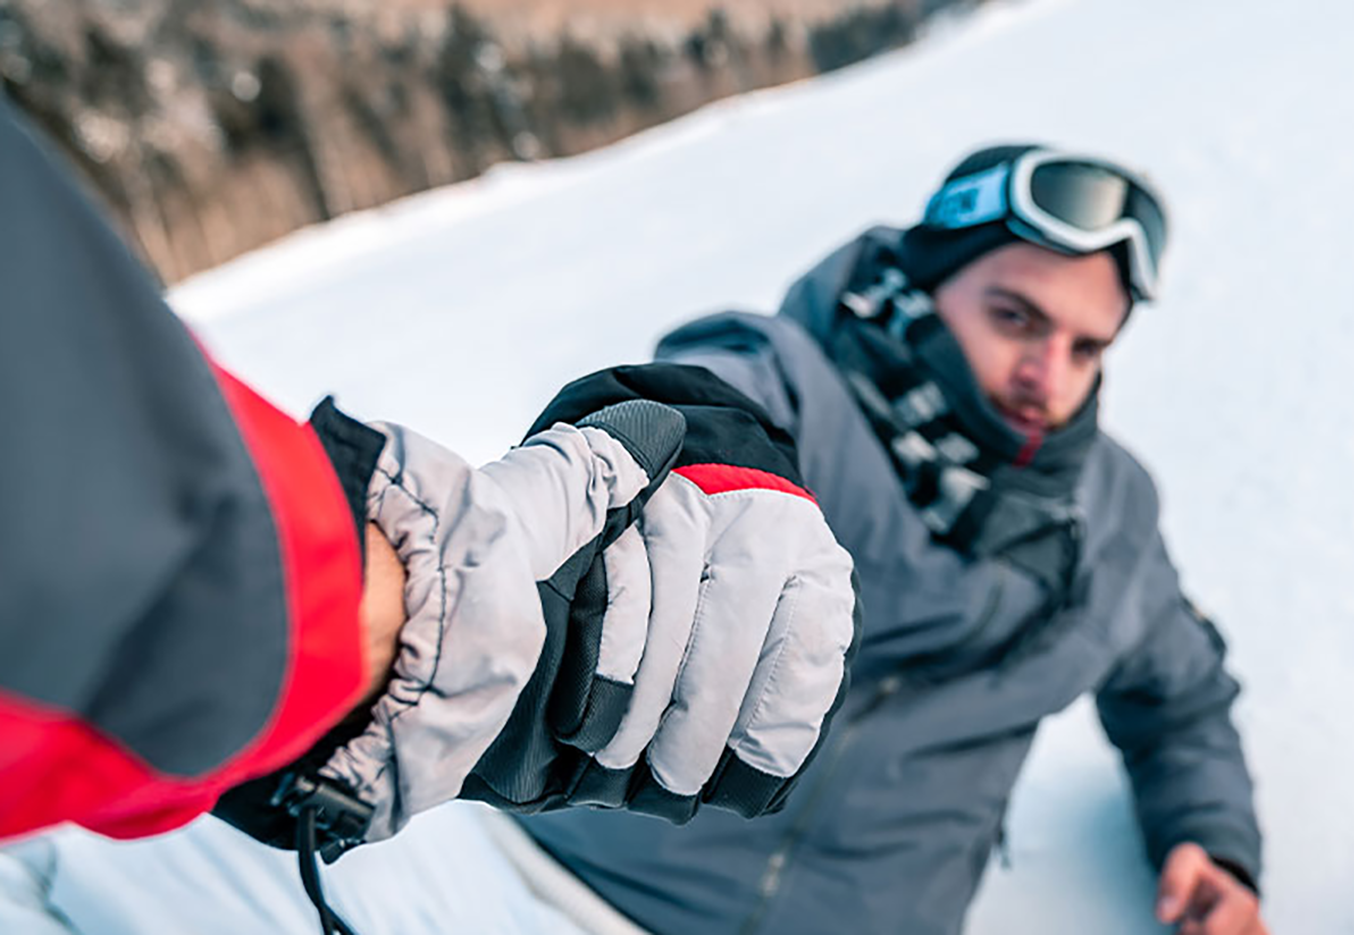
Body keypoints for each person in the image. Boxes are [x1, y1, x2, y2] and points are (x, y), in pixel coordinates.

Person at [0, 92, 860, 932]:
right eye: (1002, 313)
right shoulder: (833, 385)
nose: (1006, 374)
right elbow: (736, 390)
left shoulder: (1005, 581)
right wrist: (413, 602)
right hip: (524, 869)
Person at [515, 143, 1267, 935]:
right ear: (930, 283)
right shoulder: (796, 388)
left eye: (1086, 348)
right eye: (1015, 317)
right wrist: (697, 466)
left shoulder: (1113, 513)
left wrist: (1211, 839)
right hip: (561, 891)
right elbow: (697, 421)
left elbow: (1182, 699)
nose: (1048, 378)